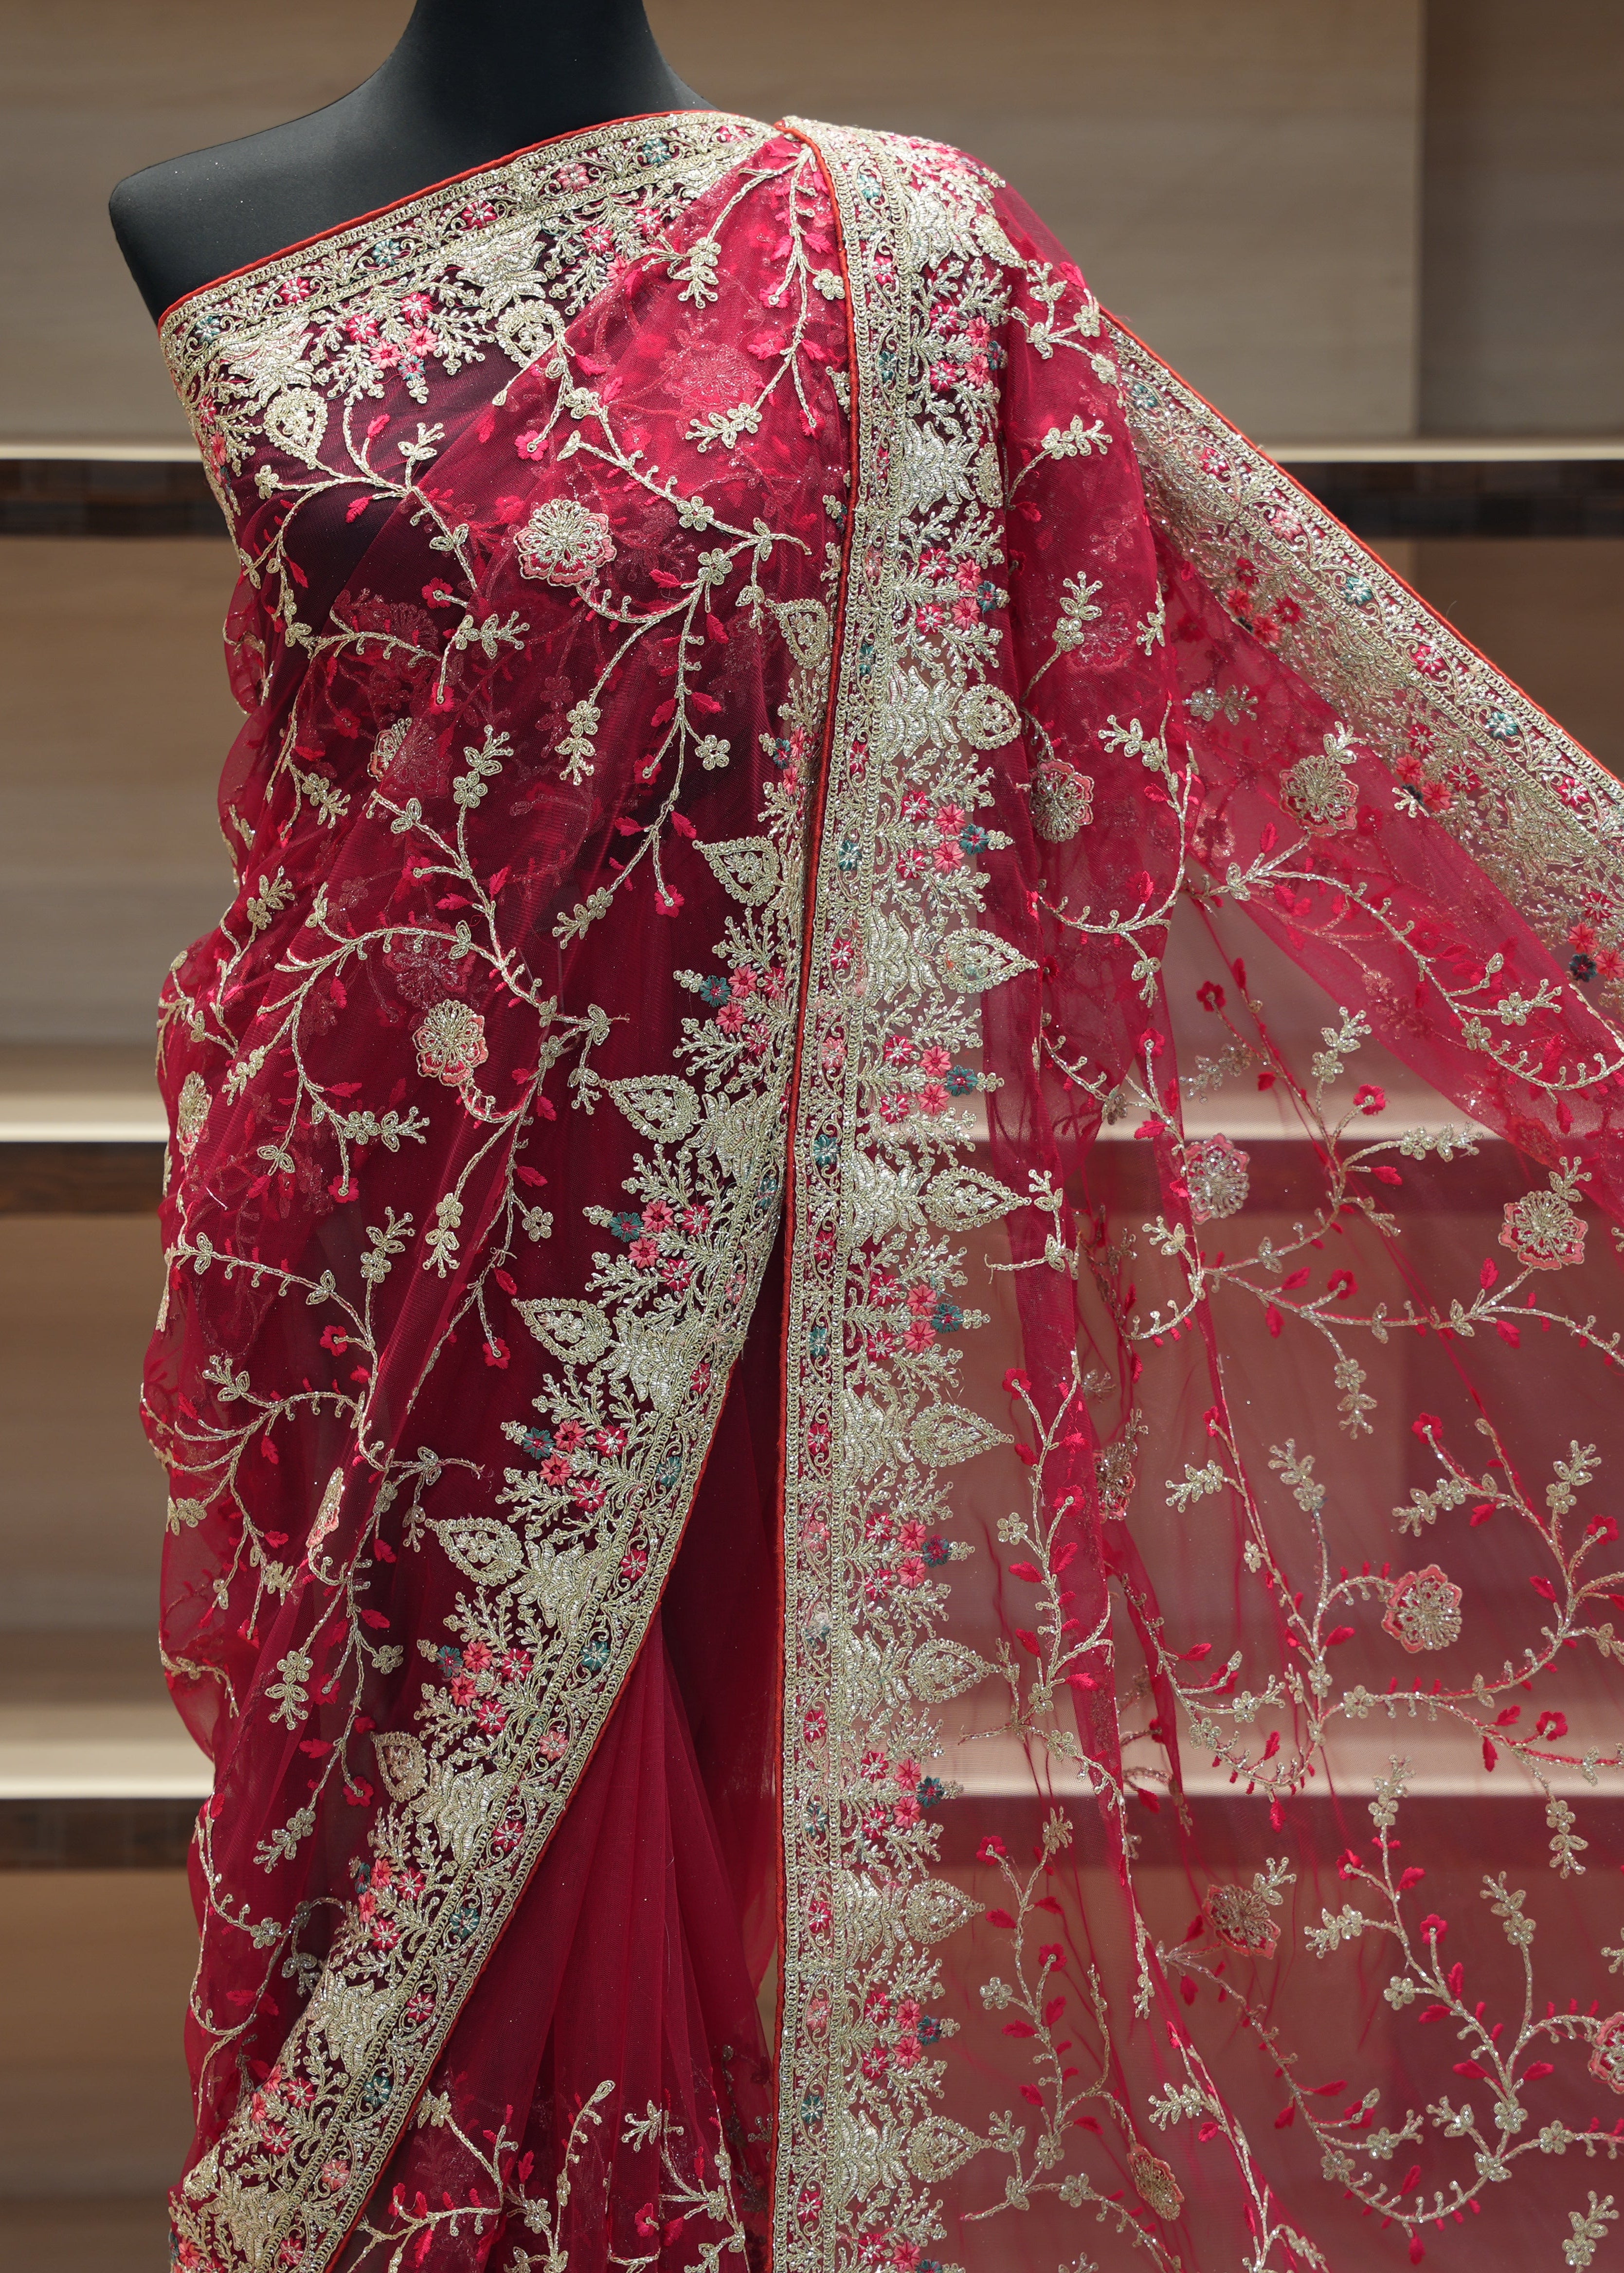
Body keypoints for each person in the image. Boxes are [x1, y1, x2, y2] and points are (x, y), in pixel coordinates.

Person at [117, 7, 1624, 2269]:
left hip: (671, 1249)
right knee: (354, 1869)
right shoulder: (205, 231)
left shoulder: (898, 245)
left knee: (591, 1868)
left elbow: (1265, 648)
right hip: (338, 1241)